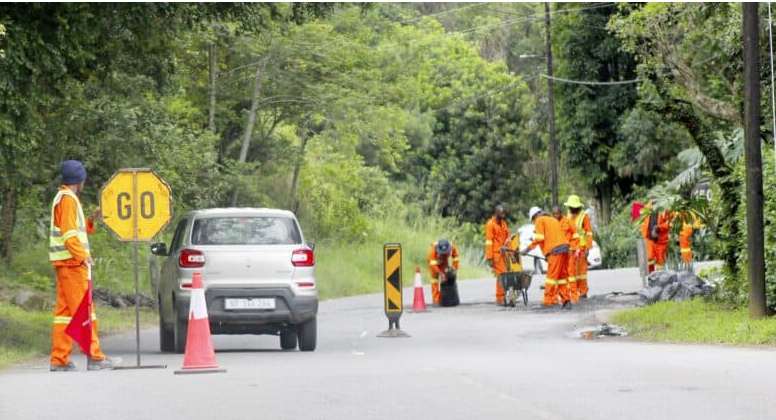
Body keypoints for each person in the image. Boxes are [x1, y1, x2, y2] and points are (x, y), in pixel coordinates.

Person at [49, 160, 118, 371]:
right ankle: (94, 357)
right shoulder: (68, 200)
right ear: (80, 180)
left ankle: (59, 359)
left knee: (65, 314)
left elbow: (76, 230)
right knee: (85, 311)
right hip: (72, 264)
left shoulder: (64, 198)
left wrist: (91, 219)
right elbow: (70, 235)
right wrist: (83, 256)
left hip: (65, 264)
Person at [522, 206, 571, 309]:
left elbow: (539, 239)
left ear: (535, 216)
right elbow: (551, 237)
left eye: (533, 220)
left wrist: (526, 250)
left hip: (556, 251)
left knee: (551, 278)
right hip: (564, 249)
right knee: (561, 277)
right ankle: (566, 300)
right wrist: (547, 254)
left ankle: (547, 301)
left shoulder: (540, 220)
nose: (534, 222)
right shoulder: (552, 219)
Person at [564, 195, 593, 302]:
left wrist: (587, 248)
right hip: (571, 248)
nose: (571, 209)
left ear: (577, 207)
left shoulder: (584, 216)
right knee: (571, 272)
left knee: (581, 272)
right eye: (570, 207)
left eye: (572, 207)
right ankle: (574, 292)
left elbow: (589, 233)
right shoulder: (568, 215)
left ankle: (583, 292)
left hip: (581, 248)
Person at [485, 205, 510, 305]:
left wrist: (511, 252)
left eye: (504, 213)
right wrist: (489, 258)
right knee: (501, 275)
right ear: (496, 213)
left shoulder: (503, 223)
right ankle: (500, 298)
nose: (503, 215)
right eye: (501, 213)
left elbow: (508, 238)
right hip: (496, 254)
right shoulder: (490, 224)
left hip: (504, 254)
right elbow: (489, 242)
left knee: (504, 275)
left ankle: (502, 297)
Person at [427, 238, 460, 306]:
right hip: (434, 265)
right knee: (434, 281)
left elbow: (456, 257)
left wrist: (454, 268)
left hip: (444, 263)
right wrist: (440, 273)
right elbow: (432, 263)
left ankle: (444, 298)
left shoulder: (452, 246)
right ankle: (436, 300)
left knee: (445, 280)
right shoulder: (433, 249)